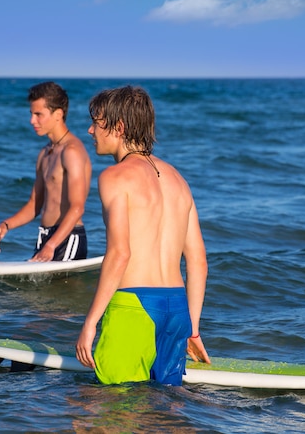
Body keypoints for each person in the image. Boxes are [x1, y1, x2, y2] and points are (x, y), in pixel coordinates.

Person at [75, 85, 210, 385]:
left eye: (96, 123)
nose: (89, 130)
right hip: (177, 311)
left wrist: (90, 322)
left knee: (109, 411)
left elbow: (120, 253)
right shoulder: (178, 179)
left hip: (133, 306)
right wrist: (193, 329)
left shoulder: (114, 177)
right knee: (164, 410)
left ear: (119, 127)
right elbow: (198, 262)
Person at [0, 81, 92, 262]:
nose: (32, 121)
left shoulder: (72, 152)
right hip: (46, 237)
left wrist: (51, 245)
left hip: (67, 238)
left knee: (59, 290)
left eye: (39, 115)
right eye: (31, 114)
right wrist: (7, 225)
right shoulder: (45, 154)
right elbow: (34, 204)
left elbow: (77, 208)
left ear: (58, 114)